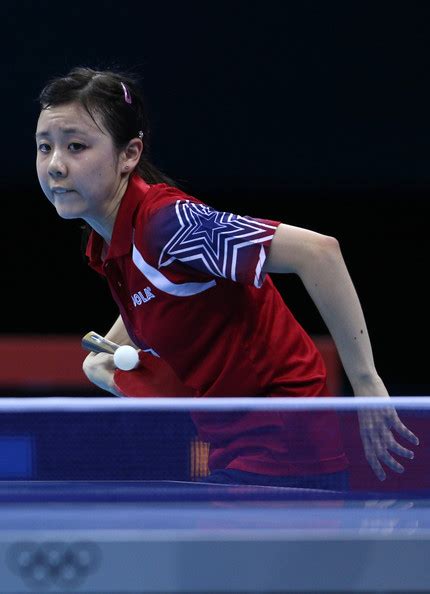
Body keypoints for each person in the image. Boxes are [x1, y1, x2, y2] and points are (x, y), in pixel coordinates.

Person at [35, 67, 419, 489]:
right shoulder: (115, 246)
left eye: (75, 147)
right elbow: (160, 296)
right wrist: (103, 360)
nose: (55, 166)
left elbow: (319, 253)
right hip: (237, 455)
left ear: (129, 155)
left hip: (286, 456)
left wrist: (367, 384)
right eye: (44, 147)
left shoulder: (170, 224)